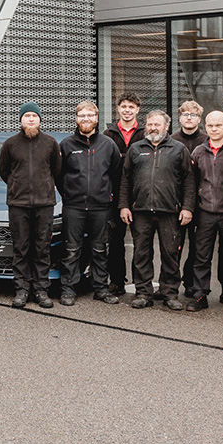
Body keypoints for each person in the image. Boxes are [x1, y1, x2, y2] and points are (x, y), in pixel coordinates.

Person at [118, 110, 194, 310]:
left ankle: (170, 293)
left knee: (170, 254)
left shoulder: (179, 149)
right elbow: (125, 180)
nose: (153, 128)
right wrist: (124, 206)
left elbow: (189, 180)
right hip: (141, 211)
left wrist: (187, 207)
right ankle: (143, 293)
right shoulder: (136, 149)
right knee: (141, 254)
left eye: (157, 124)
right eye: (150, 124)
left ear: (166, 126)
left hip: (170, 211)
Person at [0, 102, 62, 309]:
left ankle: (41, 290)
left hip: (44, 204)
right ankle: (22, 290)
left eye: (35, 116)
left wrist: (44, 187)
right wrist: (17, 186)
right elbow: (4, 172)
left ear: (40, 119)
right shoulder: (10, 144)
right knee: (21, 248)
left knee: (42, 248)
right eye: (27, 116)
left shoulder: (50, 143)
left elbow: (56, 170)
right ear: (21, 120)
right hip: (18, 204)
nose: (31, 119)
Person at [58, 101, 121, 307]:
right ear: (76, 119)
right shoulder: (66, 145)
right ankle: (68, 289)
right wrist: (68, 194)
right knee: (71, 250)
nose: (86, 119)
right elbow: (58, 175)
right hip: (74, 207)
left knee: (100, 249)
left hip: (100, 207)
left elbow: (116, 174)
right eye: (82, 116)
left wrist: (108, 197)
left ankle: (101, 289)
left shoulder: (108, 145)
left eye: (90, 115)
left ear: (96, 118)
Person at [187, 111, 223, 311]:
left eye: (218, 125)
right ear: (206, 127)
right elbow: (192, 182)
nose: (214, 129)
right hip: (205, 212)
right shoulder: (198, 152)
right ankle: (200, 295)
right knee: (202, 255)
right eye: (210, 125)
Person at [102, 93, 141, 297]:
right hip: (114, 195)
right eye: (124, 106)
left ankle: (141, 283)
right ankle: (117, 281)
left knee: (141, 242)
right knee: (116, 241)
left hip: (140, 195)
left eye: (131, 107)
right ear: (118, 108)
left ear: (137, 110)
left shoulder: (144, 133)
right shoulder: (108, 134)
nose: (127, 110)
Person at [173, 100, 208, 297]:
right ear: (180, 118)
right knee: (173, 247)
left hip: (201, 202)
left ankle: (190, 282)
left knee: (197, 247)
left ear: (199, 118)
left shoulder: (206, 140)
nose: (189, 118)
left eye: (193, 115)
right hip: (176, 201)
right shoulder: (172, 140)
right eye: (185, 114)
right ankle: (170, 283)